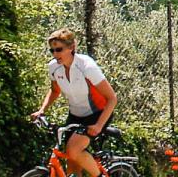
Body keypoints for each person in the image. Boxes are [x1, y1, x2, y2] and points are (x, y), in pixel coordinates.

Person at [30, 28, 118, 177]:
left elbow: (112, 98)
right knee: (71, 161)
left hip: (97, 114)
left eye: (59, 49)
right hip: (75, 115)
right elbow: (55, 90)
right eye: (52, 51)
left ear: (71, 48)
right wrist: (42, 110)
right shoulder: (53, 67)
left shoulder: (87, 67)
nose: (55, 54)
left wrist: (98, 125)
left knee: (73, 149)